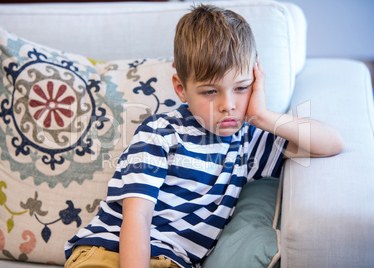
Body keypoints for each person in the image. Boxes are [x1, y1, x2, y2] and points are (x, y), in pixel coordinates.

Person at [64, 4, 343, 268]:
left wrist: (263, 116)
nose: (228, 104)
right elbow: (137, 217)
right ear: (181, 88)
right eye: (210, 91)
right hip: (110, 251)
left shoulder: (250, 143)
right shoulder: (160, 133)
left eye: (241, 87)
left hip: (173, 261)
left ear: (256, 82)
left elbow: (331, 143)